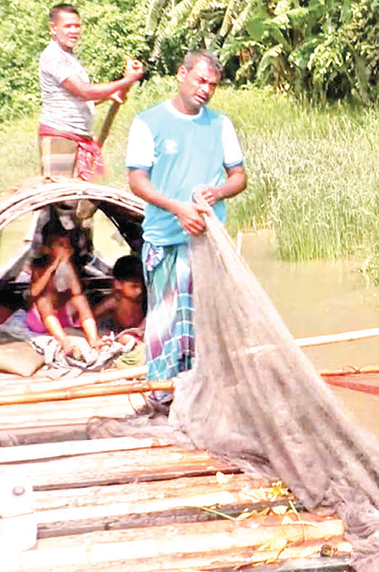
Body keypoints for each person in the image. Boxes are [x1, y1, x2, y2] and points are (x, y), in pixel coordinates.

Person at [125, 50, 247, 406]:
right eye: (200, 80)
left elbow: (238, 176)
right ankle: (162, 396)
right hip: (166, 240)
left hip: (209, 242)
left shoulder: (220, 124)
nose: (205, 90)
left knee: (206, 322)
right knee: (164, 324)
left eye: (212, 85)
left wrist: (219, 190)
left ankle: (204, 395)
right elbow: (137, 181)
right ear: (182, 75)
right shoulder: (149, 123)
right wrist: (178, 208)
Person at [39, 3, 144, 180]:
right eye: (68, 26)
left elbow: (77, 99)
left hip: (77, 137)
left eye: (77, 26)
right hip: (60, 136)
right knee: (60, 199)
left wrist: (109, 95)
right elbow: (84, 92)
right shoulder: (54, 56)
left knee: (80, 197)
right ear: (53, 28)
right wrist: (127, 80)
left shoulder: (70, 58)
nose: (74, 31)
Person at [26, 221, 102, 356]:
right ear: (49, 248)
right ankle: (64, 342)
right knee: (43, 300)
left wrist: (66, 263)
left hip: (63, 315)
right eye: (60, 245)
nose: (65, 248)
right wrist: (53, 266)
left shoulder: (69, 266)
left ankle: (94, 339)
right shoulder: (39, 266)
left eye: (67, 245)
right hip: (44, 318)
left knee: (80, 299)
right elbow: (34, 292)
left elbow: (77, 291)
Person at [93, 255, 146, 344]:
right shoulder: (115, 300)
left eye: (141, 286)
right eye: (134, 287)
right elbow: (92, 316)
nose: (139, 291)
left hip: (140, 331)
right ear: (118, 284)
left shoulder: (143, 298)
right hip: (121, 333)